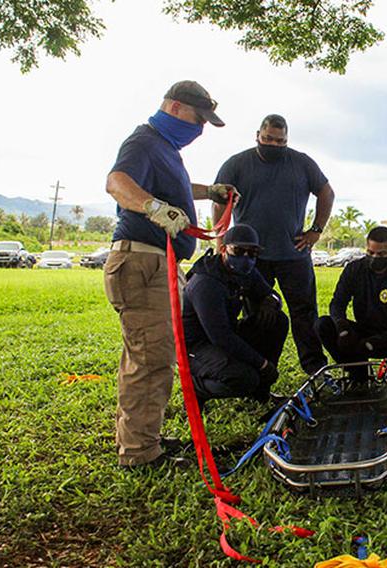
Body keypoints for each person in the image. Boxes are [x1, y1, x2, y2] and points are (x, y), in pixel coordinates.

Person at [104, 80, 233, 468]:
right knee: (150, 360)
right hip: (142, 260)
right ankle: (141, 454)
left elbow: (171, 189)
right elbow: (117, 182)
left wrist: (209, 192)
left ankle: (143, 438)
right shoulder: (144, 141)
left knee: (151, 356)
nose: (200, 129)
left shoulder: (166, 149)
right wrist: (153, 207)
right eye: (198, 119)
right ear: (175, 108)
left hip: (159, 263)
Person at [213, 114, 335, 375]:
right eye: (268, 139)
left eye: (280, 141)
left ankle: (316, 370)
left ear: (287, 140)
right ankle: (258, 370)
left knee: (305, 315)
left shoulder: (302, 162)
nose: (273, 145)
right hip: (251, 258)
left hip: (294, 254)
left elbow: (327, 192)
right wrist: (221, 242)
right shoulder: (236, 164)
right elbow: (218, 203)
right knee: (257, 315)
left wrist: (315, 230)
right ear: (257, 135)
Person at [182, 225, 288, 408]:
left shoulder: (244, 272)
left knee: (277, 321)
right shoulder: (206, 283)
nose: (245, 258)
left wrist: (270, 301)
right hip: (197, 346)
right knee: (245, 378)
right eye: (238, 251)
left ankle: (260, 392)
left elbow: (273, 295)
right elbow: (220, 336)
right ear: (224, 249)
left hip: (226, 333)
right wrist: (262, 364)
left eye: (252, 253)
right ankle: (196, 387)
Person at [315, 226, 387, 377]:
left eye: (381, 254)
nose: (375, 257)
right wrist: (342, 326)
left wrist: (378, 341)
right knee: (323, 325)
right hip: (362, 332)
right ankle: (358, 374)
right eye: (370, 253)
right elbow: (337, 303)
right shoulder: (354, 269)